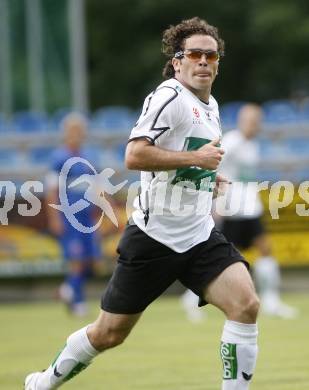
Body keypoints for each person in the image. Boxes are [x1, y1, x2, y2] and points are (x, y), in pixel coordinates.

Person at [25, 17, 260, 390]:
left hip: (198, 234)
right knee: (109, 333)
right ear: (178, 62)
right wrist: (197, 162)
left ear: (217, 63)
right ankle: (40, 383)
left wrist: (205, 178)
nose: (203, 61)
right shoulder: (168, 95)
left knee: (246, 305)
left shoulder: (211, 105)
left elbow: (179, 157)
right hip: (155, 238)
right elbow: (134, 156)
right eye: (194, 54)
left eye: (210, 55)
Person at [215, 103, 297, 319]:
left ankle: (271, 300)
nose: (255, 125)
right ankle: (193, 297)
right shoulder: (231, 141)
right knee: (222, 258)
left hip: (250, 207)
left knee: (265, 248)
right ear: (243, 120)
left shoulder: (252, 145)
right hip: (233, 209)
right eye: (251, 121)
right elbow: (214, 166)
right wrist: (218, 202)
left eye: (258, 121)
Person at [45, 112, 102, 317]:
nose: (77, 134)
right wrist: (54, 217)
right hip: (70, 216)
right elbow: (52, 189)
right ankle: (76, 301)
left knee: (92, 260)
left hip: (87, 216)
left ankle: (67, 289)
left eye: (80, 131)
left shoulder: (88, 158)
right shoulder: (59, 158)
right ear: (66, 133)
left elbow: (96, 187)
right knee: (76, 259)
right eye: (73, 131)